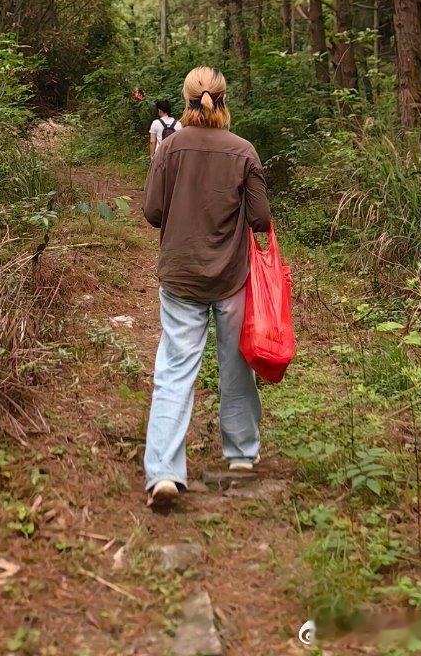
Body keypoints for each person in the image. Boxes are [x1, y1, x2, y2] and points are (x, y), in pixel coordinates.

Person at [140, 65, 271, 512]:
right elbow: (260, 219)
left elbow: (153, 211)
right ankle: (240, 457)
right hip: (232, 277)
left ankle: (164, 471)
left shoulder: (170, 147)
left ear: (187, 99)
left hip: (180, 276)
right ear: (223, 98)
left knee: (175, 369)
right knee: (235, 363)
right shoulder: (243, 150)